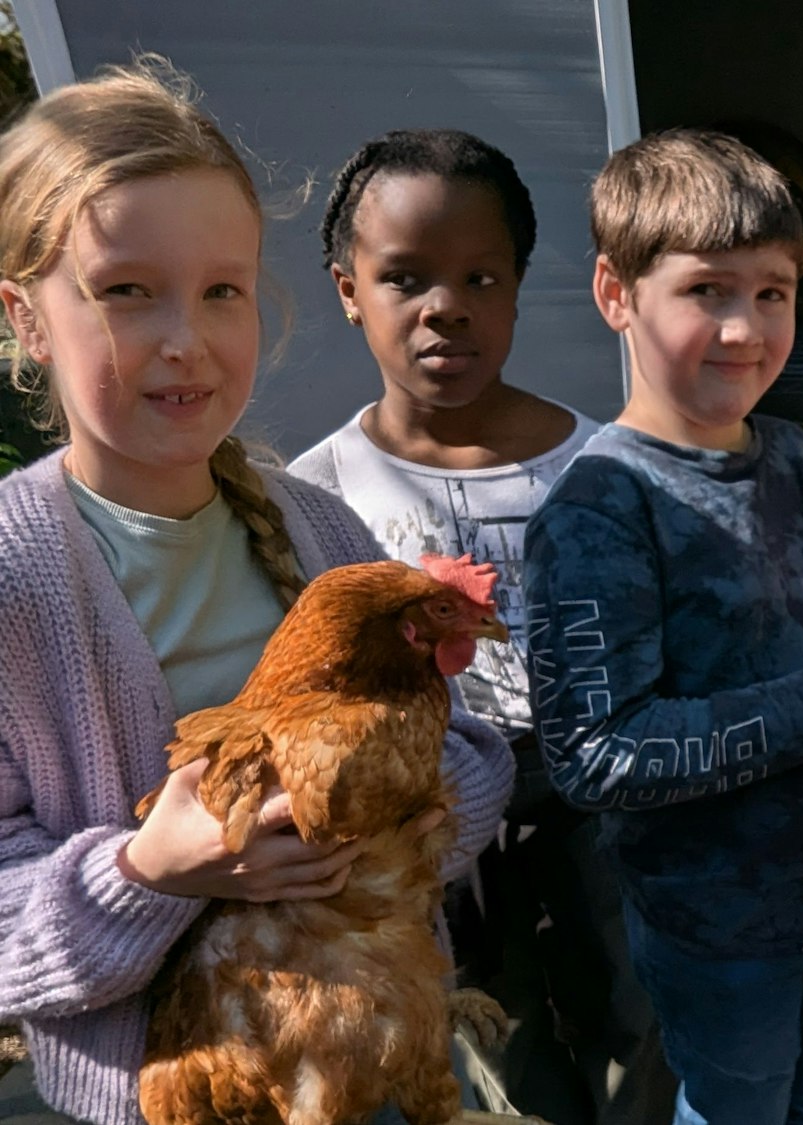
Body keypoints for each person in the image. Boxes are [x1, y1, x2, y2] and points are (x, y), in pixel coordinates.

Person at [0, 60, 511, 1125]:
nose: (184, 338)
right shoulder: (12, 577)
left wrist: (362, 829)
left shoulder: (320, 530)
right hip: (173, 1092)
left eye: (221, 290)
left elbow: (466, 755)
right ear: (26, 317)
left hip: (385, 1058)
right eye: (125, 291)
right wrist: (152, 871)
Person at [522, 128, 803, 1125]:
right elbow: (596, 755)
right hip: (720, 925)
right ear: (617, 294)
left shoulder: (796, 455)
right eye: (707, 290)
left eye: (773, 292)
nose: (746, 328)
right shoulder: (598, 510)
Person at [288, 128, 672, 1123]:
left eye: (479, 276)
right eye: (404, 277)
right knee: (487, 1020)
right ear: (346, 289)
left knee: (631, 1006)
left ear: (516, 286)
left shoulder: (602, 466)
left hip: (599, 800)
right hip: (428, 810)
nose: (444, 306)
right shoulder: (317, 498)